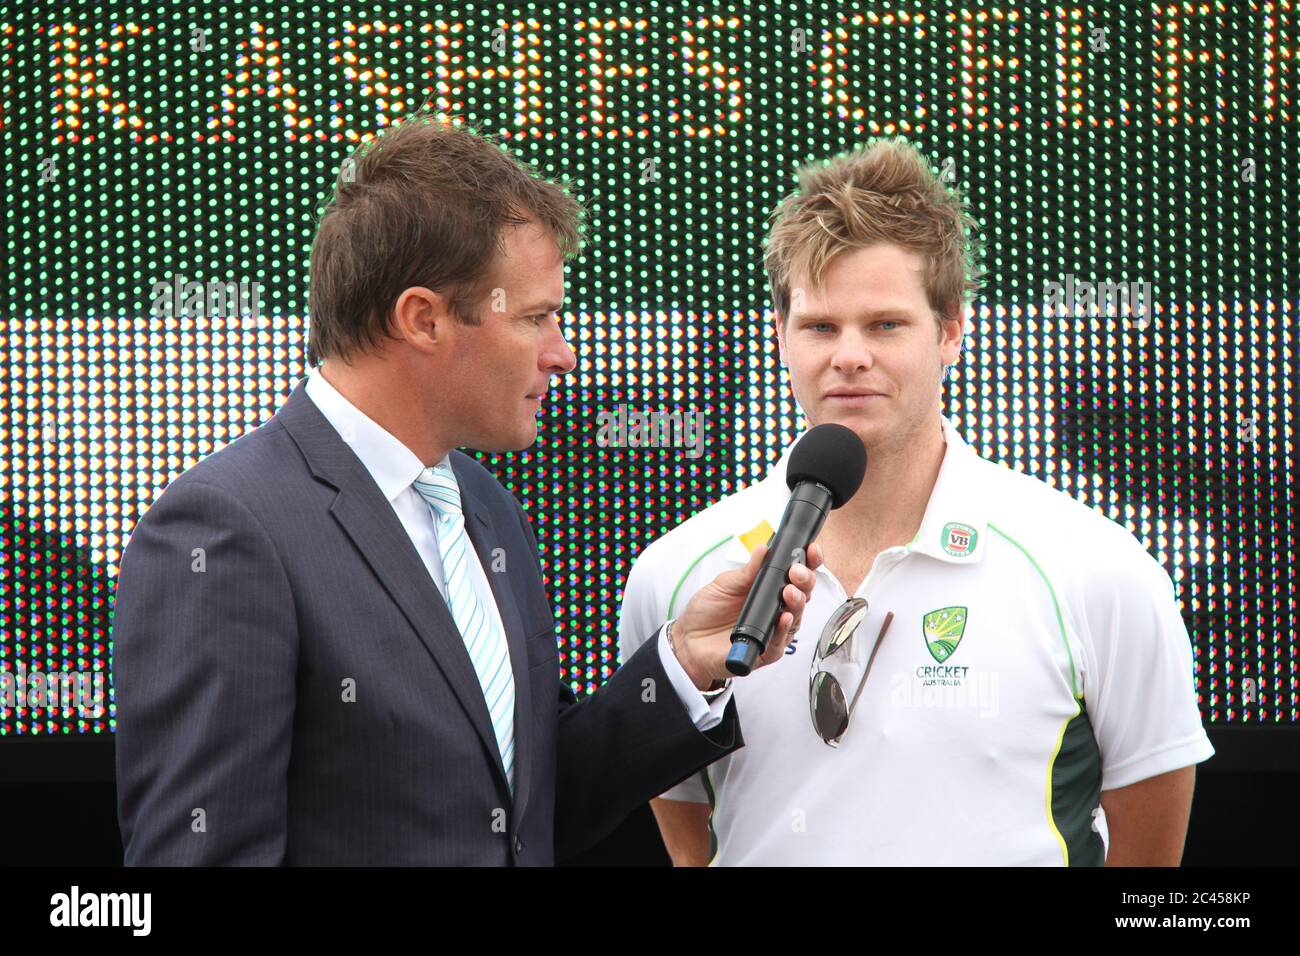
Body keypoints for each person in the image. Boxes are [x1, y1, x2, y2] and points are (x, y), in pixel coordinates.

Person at [112, 112, 820, 865]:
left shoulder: (483, 507)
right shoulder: (225, 531)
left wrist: (683, 660)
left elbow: (529, 810)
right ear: (423, 319)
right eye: (538, 318)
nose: (564, 354)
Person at [619, 137, 1214, 866]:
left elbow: (1150, 850)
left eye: (885, 324)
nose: (849, 355)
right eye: (820, 326)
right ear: (781, 337)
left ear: (952, 330)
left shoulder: (1095, 569)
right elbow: (692, 843)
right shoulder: (677, 575)